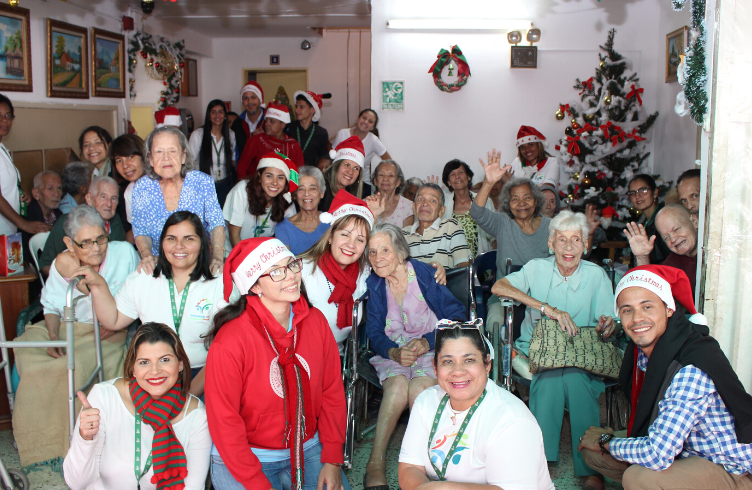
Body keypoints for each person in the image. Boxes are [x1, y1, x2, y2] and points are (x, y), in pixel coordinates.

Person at [579, 265, 752, 490]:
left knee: (639, 477)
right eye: (627, 310)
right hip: (687, 450)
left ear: (669, 309)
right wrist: (604, 444)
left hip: (729, 469)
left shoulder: (689, 368)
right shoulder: (647, 356)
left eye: (647, 306)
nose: (637, 319)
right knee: (592, 452)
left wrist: (607, 442)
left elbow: (658, 454)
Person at [204, 237, 348, 490]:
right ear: (255, 286)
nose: (291, 276)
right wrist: (254, 481)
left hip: (307, 446)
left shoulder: (315, 322)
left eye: (292, 265)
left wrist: (333, 460)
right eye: (277, 272)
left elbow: (331, 392)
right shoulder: (231, 339)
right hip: (246, 456)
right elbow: (224, 419)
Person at [490, 209, 616, 490]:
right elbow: (499, 287)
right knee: (550, 376)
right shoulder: (537, 268)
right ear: (551, 244)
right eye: (562, 240)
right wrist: (546, 309)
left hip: (583, 356)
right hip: (540, 351)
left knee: (573, 376)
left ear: (586, 245)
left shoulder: (596, 276)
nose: (568, 247)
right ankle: (541, 461)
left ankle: (589, 466)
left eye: (576, 240)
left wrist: (609, 325)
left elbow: (612, 321)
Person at [12, 205, 138, 468]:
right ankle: (43, 444)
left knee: (74, 365)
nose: (96, 248)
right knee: (29, 353)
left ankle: (77, 443)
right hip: (71, 327)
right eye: (86, 243)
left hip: (108, 333)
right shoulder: (63, 263)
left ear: (107, 232)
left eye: (100, 239)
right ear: (70, 243)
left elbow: (139, 297)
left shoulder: (125, 253)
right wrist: (53, 335)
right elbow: (51, 304)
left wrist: (117, 325)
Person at [76, 211, 235, 398]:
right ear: (162, 243)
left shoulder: (220, 281)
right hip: (154, 375)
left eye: (189, 239)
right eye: (171, 238)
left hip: (204, 374)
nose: (179, 246)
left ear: (202, 243)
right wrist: (98, 285)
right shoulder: (144, 277)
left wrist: (189, 396)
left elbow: (227, 351)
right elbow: (113, 320)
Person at [363, 223, 466, 489]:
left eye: (384, 250)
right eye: (372, 252)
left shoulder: (424, 274)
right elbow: (373, 329)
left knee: (420, 389)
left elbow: (457, 316)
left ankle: (419, 463)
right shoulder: (374, 283)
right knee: (397, 387)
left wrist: (428, 341)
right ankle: (375, 462)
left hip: (430, 350)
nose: (378, 258)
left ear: (400, 251)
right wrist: (393, 351)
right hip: (392, 352)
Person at [399, 321, 555, 490]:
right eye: (448, 361)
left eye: (469, 360)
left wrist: (439, 489)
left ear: (487, 364)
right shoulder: (426, 401)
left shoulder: (512, 420)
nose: (458, 371)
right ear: (435, 368)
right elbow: (410, 467)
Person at [63, 322, 212, 490]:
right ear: (133, 368)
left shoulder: (197, 417)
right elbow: (76, 483)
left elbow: (193, 487)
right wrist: (85, 438)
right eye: (144, 362)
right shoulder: (104, 398)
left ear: (180, 364)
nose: (155, 371)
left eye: (164, 360)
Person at [132, 125, 225, 275]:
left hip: (198, 264)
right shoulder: (142, 187)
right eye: (159, 152)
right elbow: (141, 230)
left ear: (183, 156)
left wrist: (217, 257)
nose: (166, 158)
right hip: (159, 265)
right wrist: (147, 256)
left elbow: (216, 223)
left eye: (172, 151)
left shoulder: (202, 182)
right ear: (150, 158)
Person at [300, 190, 374, 355]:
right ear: (330, 236)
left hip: (339, 356)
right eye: (345, 235)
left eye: (360, 240)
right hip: (303, 354)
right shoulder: (303, 269)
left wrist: (435, 268)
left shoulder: (365, 273)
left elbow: (399, 271)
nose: (351, 244)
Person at [39, 176, 126, 277]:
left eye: (114, 198)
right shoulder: (68, 222)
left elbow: (121, 259)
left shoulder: (115, 221)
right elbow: (45, 265)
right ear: (89, 198)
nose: (109, 204)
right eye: (103, 197)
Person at [223, 151, 296, 254]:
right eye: (269, 176)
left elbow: (290, 235)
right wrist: (245, 260)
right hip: (231, 252)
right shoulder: (242, 190)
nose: (274, 182)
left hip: (260, 257)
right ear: (259, 177)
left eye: (280, 178)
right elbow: (234, 234)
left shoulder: (287, 200)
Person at [0, 94, 51, 237]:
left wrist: (20, 196)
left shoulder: (3, 149)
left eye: (8, 115)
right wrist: (24, 224)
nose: (4, 120)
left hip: (8, 229)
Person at [625, 203, 700, 296]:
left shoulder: (715, 250)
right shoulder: (674, 262)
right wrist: (642, 257)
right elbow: (650, 292)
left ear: (695, 221)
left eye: (676, 229)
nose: (673, 239)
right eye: (666, 237)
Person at [401, 183, 470, 269]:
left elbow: (464, 265)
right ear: (414, 207)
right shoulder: (403, 234)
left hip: (446, 281)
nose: (425, 203)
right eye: (421, 199)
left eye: (433, 200)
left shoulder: (450, 226)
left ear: (442, 211)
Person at [441, 159, 495, 258]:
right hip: (453, 264)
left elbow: (494, 234)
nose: (457, 176)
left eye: (461, 172)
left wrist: (494, 258)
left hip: (481, 261)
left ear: (469, 177)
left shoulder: (485, 200)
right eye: (452, 174)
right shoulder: (443, 203)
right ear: (448, 182)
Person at [188, 99, 237, 207]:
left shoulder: (231, 135)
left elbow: (234, 160)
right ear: (208, 115)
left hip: (225, 184)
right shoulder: (198, 135)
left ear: (225, 115)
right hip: (204, 185)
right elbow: (189, 163)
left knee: (224, 219)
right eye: (213, 112)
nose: (217, 115)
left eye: (220, 111)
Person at [236, 103, 304, 179]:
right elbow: (242, 166)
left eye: (272, 121)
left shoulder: (293, 145)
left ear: (283, 124)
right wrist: (245, 185)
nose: (267, 124)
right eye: (266, 120)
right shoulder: (257, 140)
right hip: (257, 188)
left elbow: (299, 172)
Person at [332, 109, 392, 195]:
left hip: (362, 184)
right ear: (358, 118)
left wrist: (379, 176)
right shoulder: (342, 133)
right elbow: (333, 157)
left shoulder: (373, 140)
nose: (366, 122)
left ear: (373, 127)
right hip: (339, 180)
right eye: (364, 118)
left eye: (370, 121)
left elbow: (389, 161)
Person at [275, 166, 330, 255]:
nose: (307, 193)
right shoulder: (283, 227)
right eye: (301, 189)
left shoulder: (332, 222)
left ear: (322, 193)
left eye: (312, 188)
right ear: (295, 195)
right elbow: (286, 262)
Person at [109, 134, 146, 244]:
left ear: (144, 156)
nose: (125, 166)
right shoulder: (130, 192)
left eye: (130, 157)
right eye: (119, 160)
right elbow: (137, 231)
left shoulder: (163, 181)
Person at [627, 173, 671, 264]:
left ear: (655, 193)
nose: (637, 196)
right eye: (633, 193)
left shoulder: (664, 220)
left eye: (643, 190)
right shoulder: (644, 223)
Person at [23, 171, 62, 261]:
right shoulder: (27, 217)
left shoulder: (59, 215)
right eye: (50, 189)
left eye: (59, 189)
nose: (56, 194)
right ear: (36, 193)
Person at [285, 90, 331, 168]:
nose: (296, 110)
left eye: (301, 107)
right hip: (290, 172)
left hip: (311, 175)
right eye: (296, 106)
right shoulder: (288, 128)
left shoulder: (321, 133)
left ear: (312, 110)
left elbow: (322, 159)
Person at [320, 136, 366, 210]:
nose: (350, 172)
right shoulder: (319, 186)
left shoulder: (353, 196)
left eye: (356, 168)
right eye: (347, 165)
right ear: (336, 166)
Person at [371, 160, 414, 227]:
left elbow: (407, 236)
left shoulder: (408, 207)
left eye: (391, 175)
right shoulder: (365, 203)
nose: (385, 179)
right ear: (375, 180)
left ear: (398, 182)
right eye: (381, 175)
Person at [231, 81, 266, 158]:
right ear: (242, 102)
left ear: (260, 99)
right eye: (246, 98)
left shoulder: (269, 121)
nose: (250, 102)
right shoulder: (237, 123)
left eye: (253, 97)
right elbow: (235, 151)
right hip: (243, 168)